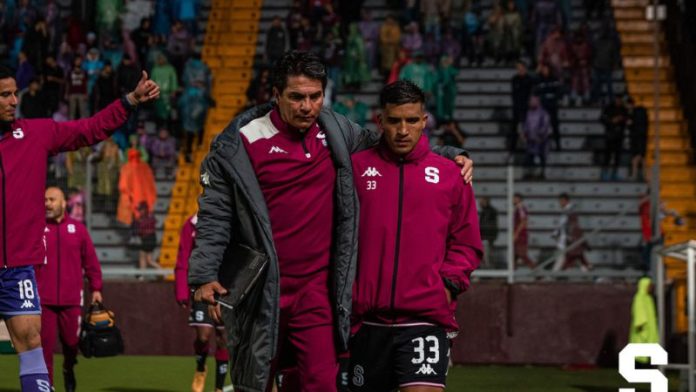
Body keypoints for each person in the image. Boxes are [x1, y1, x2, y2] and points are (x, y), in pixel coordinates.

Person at [189, 51, 472, 392]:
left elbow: (388, 144)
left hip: (318, 291)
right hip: (261, 289)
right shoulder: (240, 144)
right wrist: (205, 275)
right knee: (256, 382)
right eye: (296, 97)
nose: (307, 106)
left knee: (321, 383)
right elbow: (216, 212)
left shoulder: (335, 129)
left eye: (314, 96)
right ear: (276, 95)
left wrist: (447, 156)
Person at [0, 65, 158, 391]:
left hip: (16, 269)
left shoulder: (35, 133)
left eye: (15, 92)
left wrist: (128, 101)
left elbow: (89, 130)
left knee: (32, 344)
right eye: (5, 94)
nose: (14, 100)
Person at [349, 80, 482, 391]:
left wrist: (448, 285)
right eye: (394, 120)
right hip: (366, 321)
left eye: (411, 120)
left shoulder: (451, 174)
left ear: (425, 121)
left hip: (425, 320)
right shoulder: (355, 169)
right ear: (379, 121)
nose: (402, 130)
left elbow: (466, 243)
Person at [36, 187, 103, 392]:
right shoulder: (36, 229)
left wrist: (96, 288)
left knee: (71, 343)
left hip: (72, 299)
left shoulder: (78, 230)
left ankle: (68, 368)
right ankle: (48, 386)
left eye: (52, 199)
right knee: (45, 347)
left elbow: (91, 262)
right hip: (43, 300)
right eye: (45, 199)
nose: (47, 203)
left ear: (64, 203)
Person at [175, 214, 230, 392]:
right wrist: (181, 291)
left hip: (224, 287)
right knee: (203, 336)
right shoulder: (191, 225)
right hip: (201, 288)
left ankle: (219, 388)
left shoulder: (229, 220)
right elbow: (183, 260)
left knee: (223, 339)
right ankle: (200, 367)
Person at [553, 193, 592, 271]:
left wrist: (567, 236)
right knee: (577, 257)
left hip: (569, 238)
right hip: (568, 238)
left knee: (569, 257)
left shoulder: (570, 211)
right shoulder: (567, 210)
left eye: (561, 201)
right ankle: (589, 272)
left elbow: (571, 225)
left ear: (565, 201)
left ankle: (555, 274)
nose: (560, 203)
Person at [522, 96, 551, 179]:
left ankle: (542, 173)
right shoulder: (528, 113)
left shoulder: (543, 113)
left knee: (541, 157)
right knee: (529, 158)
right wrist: (525, 134)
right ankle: (529, 173)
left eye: (532, 101)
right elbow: (526, 125)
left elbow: (545, 126)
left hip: (541, 141)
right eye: (530, 101)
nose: (530, 103)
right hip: (530, 141)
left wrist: (539, 136)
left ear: (538, 102)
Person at [600, 96, 627, 181]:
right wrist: (611, 121)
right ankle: (604, 173)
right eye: (617, 99)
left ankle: (614, 174)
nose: (618, 101)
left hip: (619, 136)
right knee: (607, 155)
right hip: (610, 135)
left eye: (620, 100)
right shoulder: (609, 108)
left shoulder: (624, 109)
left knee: (617, 156)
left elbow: (627, 119)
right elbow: (601, 119)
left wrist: (622, 119)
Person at [510, 61, 535, 153]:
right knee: (514, 128)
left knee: (528, 129)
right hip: (517, 108)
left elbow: (531, 94)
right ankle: (513, 148)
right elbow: (514, 94)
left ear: (525, 68)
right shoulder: (514, 79)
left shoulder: (529, 80)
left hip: (527, 109)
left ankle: (529, 148)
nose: (519, 70)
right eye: (518, 68)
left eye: (521, 67)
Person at [626, 97, 648, 181]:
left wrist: (631, 123)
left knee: (638, 157)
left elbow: (633, 125)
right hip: (637, 137)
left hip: (639, 137)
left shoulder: (637, 113)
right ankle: (643, 175)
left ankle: (636, 175)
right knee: (642, 158)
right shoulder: (634, 113)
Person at [513, 193, 536, 269]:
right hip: (520, 235)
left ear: (519, 199)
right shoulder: (518, 208)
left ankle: (537, 272)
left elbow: (523, 221)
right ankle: (511, 275)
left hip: (521, 236)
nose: (513, 200)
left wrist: (516, 234)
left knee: (522, 255)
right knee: (514, 255)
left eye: (514, 198)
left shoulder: (521, 208)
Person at [479, 196, 499, 266]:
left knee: (486, 254)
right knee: (486, 254)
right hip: (486, 236)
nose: (479, 203)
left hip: (487, 237)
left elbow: (488, 225)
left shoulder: (489, 211)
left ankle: (489, 269)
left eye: (481, 201)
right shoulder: (485, 211)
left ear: (486, 201)